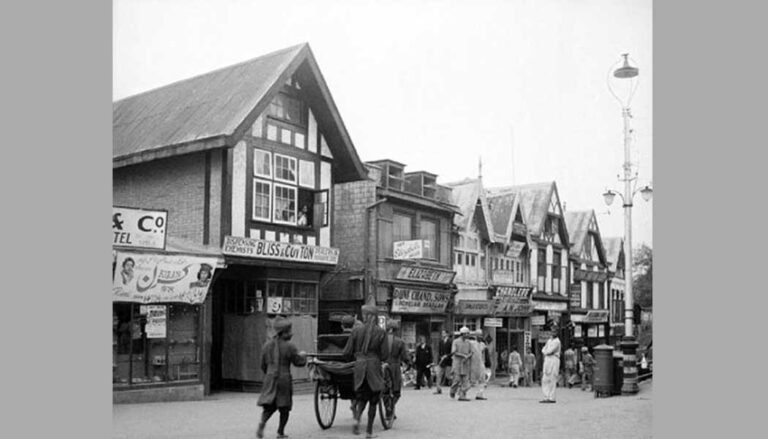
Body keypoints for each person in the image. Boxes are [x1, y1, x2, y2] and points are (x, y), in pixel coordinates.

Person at [342, 297, 389, 438]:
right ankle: (369, 432)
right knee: (374, 400)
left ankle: (356, 419)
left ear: (364, 316)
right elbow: (385, 355)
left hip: (359, 367)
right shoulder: (381, 332)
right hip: (373, 367)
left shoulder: (356, 331)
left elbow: (347, 352)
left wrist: (355, 359)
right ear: (374, 317)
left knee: (362, 397)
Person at [256, 316, 307, 439]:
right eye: (289, 331)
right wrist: (303, 356)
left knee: (269, 406)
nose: (291, 333)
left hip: (269, 377)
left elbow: (262, 365)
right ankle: (280, 432)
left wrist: (269, 374)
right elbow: (298, 362)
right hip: (284, 379)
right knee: (284, 407)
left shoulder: (266, 345)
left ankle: (262, 423)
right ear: (284, 332)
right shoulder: (290, 346)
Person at [385, 319, 408, 419]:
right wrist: (409, 364)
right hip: (394, 367)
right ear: (396, 330)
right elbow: (405, 357)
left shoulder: (381, 340)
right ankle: (391, 406)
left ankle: (387, 408)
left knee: (384, 390)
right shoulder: (400, 342)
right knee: (396, 391)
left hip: (383, 367)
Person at [450, 327, 473, 401]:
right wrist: (463, 355)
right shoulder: (456, 341)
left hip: (466, 363)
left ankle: (462, 395)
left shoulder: (468, 342)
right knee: (457, 380)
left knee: (466, 381)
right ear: (462, 334)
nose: (467, 335)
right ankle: (453, 390)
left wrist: (468, 356)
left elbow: (471, 352)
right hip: (458, 363)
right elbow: (453, 352)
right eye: (466, 333)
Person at [539, 327, 561, 403]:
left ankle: (552, 397)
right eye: (552, 331)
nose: (553, 333)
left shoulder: (557, 341)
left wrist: (546, 351)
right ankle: (546, 397)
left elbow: (549, 351)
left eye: (555, 332)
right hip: (547, 359)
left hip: (554, 359)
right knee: (545, 378)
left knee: (552, 378)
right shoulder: (549, 340)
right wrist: (546, 351)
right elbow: (543, 349)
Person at [470, 332, 492, 400]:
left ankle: (480, 394)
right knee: (469, 380)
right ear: (476, 336)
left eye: (481, 335)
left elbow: (486, 354)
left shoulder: (483, 345)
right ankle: (461, 393)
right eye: (478, 335)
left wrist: (488, 363)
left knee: (482, 380)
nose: (480, 337)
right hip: (473, 364)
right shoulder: (472, 343)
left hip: (481, 364)